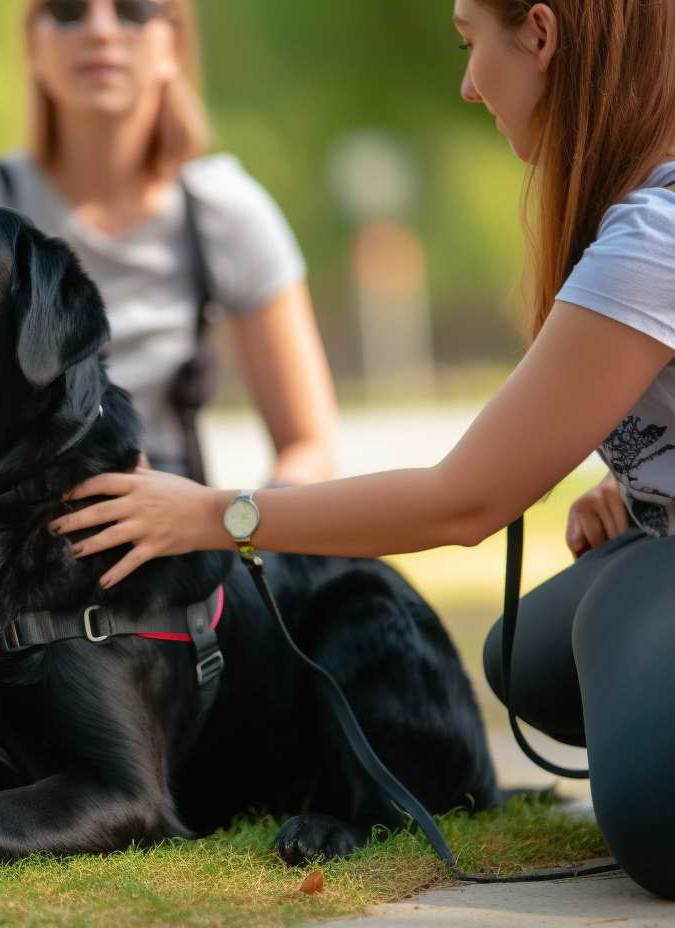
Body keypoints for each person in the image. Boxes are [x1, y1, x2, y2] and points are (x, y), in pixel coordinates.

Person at [48, 0, 675, 900]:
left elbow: (464, 501)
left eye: (469, 42)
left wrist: (219, 515)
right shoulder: (641, 217)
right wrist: (645, 487)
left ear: (541, 35)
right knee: (525, 658)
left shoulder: (654, 236)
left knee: (656, 829)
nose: (469, 85)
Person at [0, 0, 340, 772]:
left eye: (134, 10)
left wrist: (245, 542)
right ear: (33, 45)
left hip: (157, 513)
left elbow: (309, 442)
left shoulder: (225, 210)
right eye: (65, 11)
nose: (99, 29)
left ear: (173, 43)